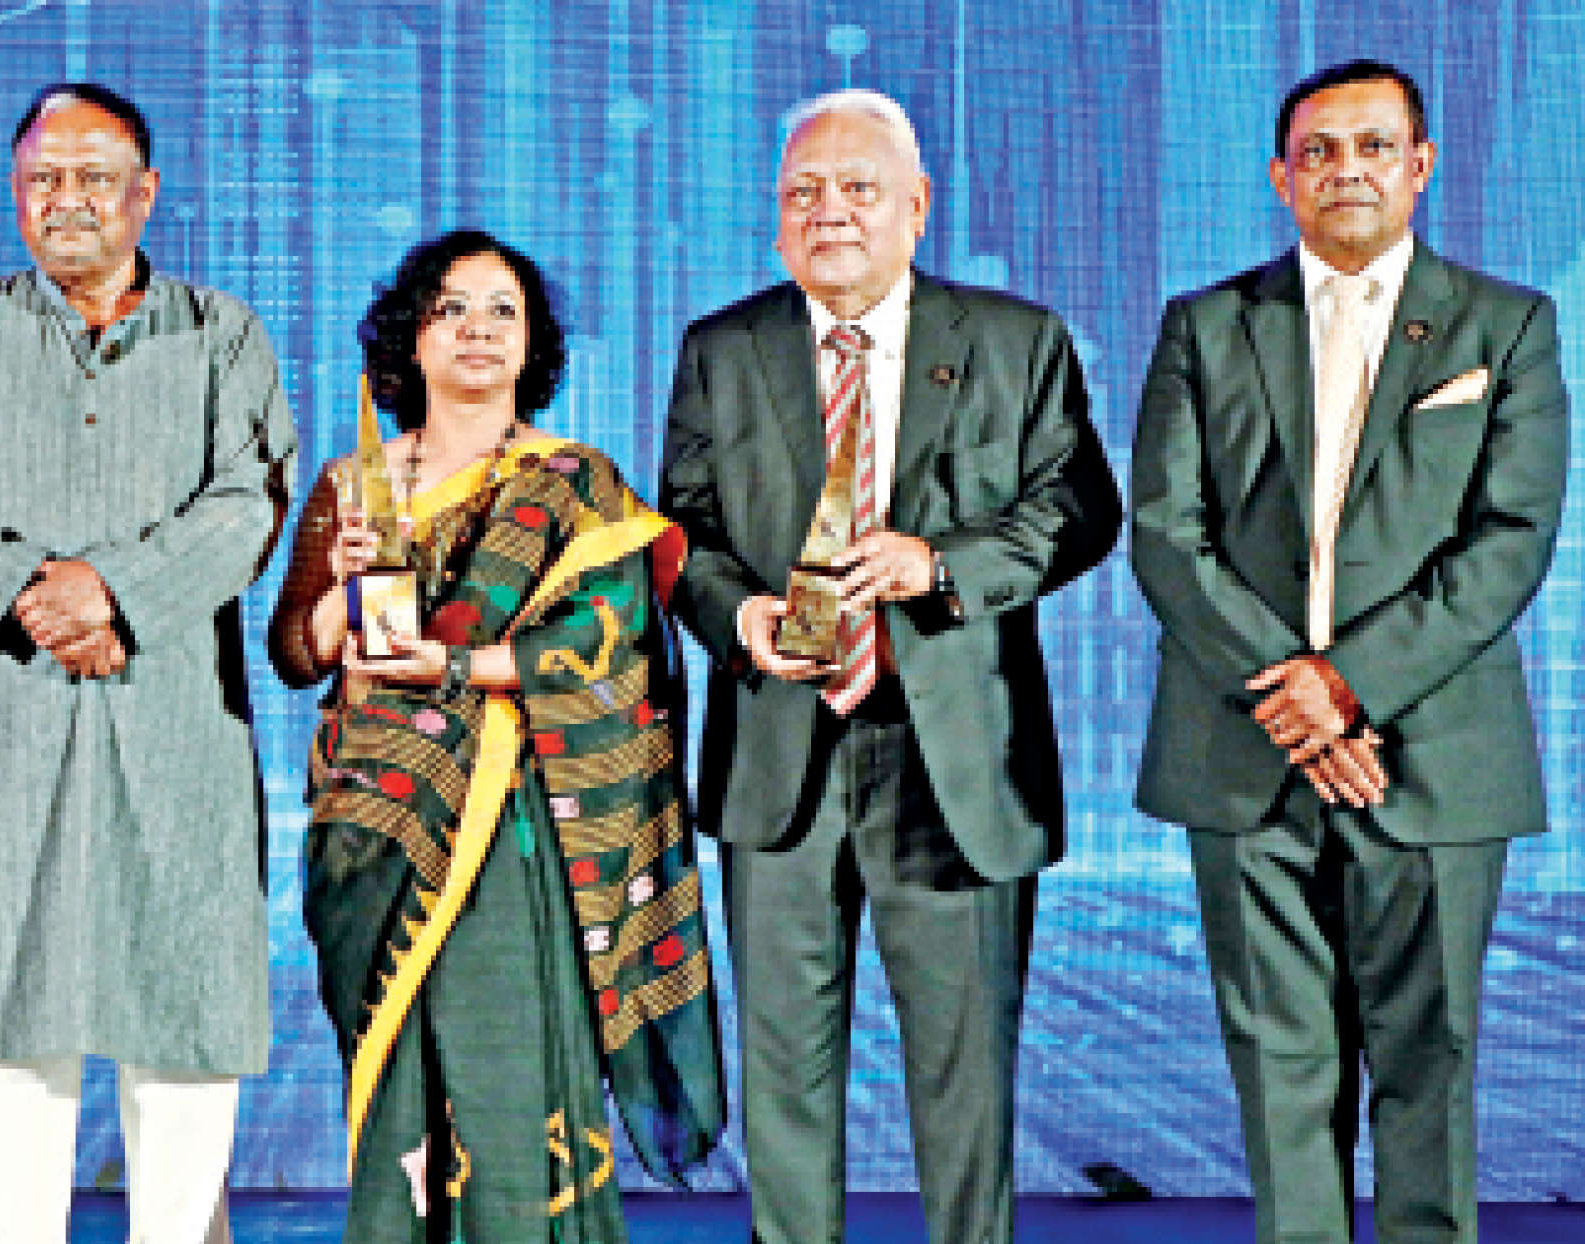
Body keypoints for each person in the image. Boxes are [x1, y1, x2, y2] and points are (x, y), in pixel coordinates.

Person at [658, 88, 1119, 1244]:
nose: (828, 211)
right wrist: (735, 614)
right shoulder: (720, 348)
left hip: (954, 754)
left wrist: (940, 564)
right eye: (801, 191)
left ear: (915, 206)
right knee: (781, 1076)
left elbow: (1077, 509)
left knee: (963, 1083)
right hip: (777, 749)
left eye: (856, 188)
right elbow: (679, 533)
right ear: (775, 218)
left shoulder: (1015, 340)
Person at [1130, 60, 1566, 1244]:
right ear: (1280, 178)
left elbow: (1509, 540)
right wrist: (1293, 699)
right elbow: (1165, 533)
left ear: (1418, 166)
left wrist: (1346, 686)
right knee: (1277, 1064)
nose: (1346, 171)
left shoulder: (1505, 325)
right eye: (1317, 151)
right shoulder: (1204, 325)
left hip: (1433, 755)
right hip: (1243, 751)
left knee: (1428, 1058)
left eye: (1373, 147)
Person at [0, 83, 295, 1244]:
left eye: (93, 178)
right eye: (42, 180)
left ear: (143, 194)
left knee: (184, 1024)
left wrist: (113, 593)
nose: (66, 200)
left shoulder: (222, 333)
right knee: (12, 1040)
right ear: (14, 196)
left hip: (172, 722)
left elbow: (246, 503)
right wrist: (45, 601)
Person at [273, 229, 725, 1242]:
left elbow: (606, 648)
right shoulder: (351, 484)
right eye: (451, 309)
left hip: (519, 831)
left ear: (531, 344)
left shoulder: (575, 486)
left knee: (513, 1085)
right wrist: (344, 591)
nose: (477, 330)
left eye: (501, 311)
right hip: (375, 829)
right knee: (397, 1089)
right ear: (411, 336)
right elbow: (295, 654)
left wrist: (451, 667)